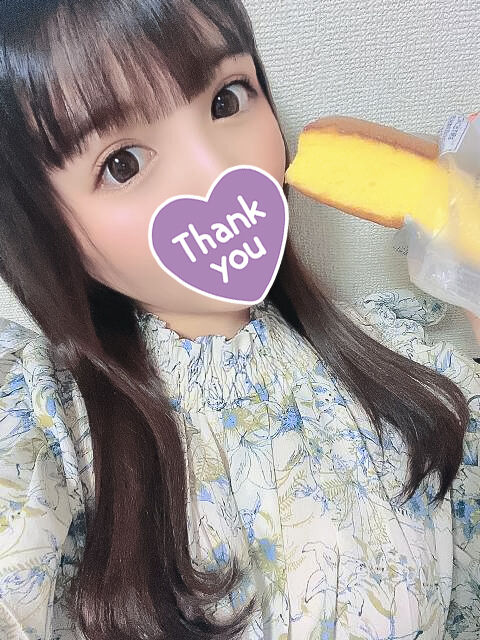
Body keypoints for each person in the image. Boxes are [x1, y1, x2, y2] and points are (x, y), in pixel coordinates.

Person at [0, 1, 478, 639]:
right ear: (44, 229)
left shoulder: (404, 360)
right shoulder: (44, 425)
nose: (216, 169)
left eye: (227, 99)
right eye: (122, 163)